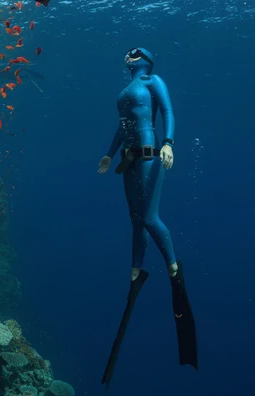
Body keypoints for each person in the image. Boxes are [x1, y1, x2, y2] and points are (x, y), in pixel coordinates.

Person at [98, 48, 198, 389]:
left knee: (150, 217)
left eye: (135, 53)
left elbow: (167, 111)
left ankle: (172, 266)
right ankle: (136, 269)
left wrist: (169, 142)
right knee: (135, 219)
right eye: (127, 53)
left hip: (151, 155)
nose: (129, 55)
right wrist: (109, 154)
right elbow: (122, 125)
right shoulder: (127, 91)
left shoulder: (153, 80)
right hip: (128, 160)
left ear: (146, 61)